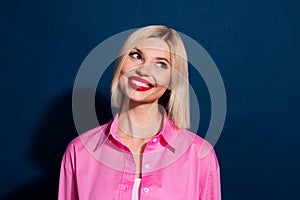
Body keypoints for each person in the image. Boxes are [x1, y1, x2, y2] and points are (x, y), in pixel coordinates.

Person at [59, 25, 221, 200]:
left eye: (161, 64)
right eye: (136, 56)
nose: (144, 71)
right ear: (121, 63)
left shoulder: (199, 155)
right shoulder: (79, 151)